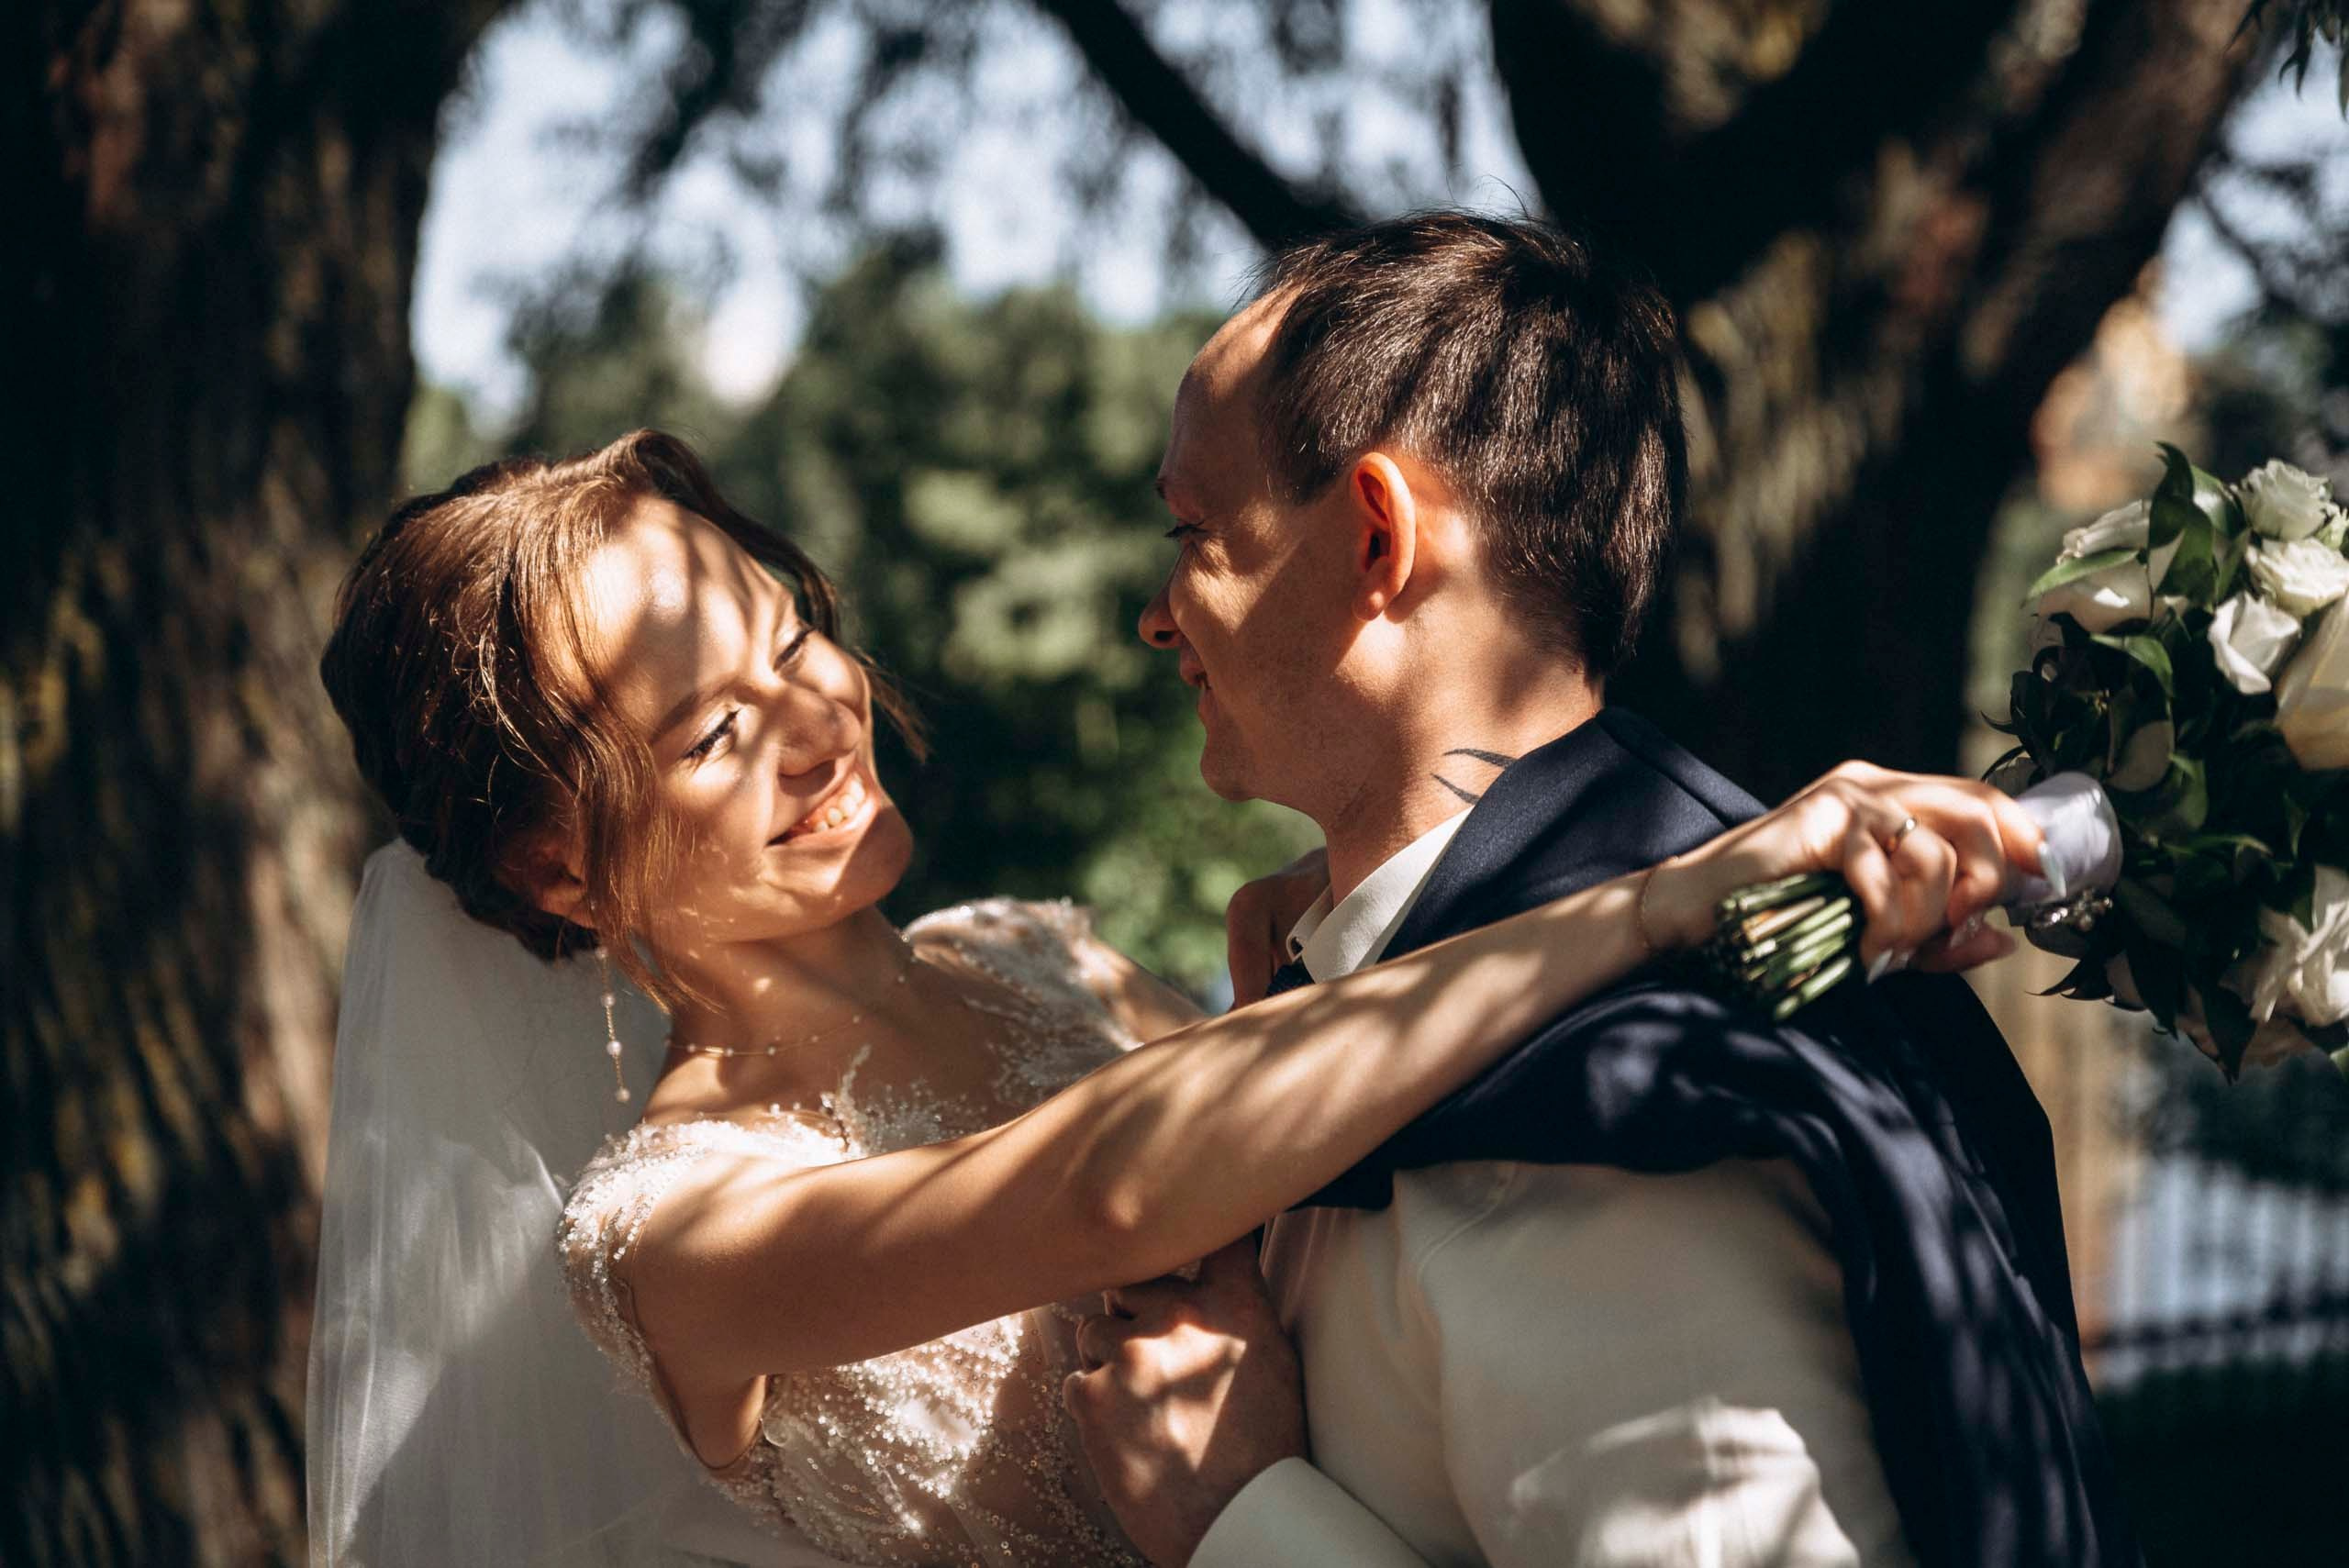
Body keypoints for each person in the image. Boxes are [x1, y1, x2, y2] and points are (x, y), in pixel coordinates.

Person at [305, 426, 2040, 1567]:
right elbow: (1113, 1187)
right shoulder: (672, 1237)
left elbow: (1292, 1182)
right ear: (556, 872)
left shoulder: (1036, 953)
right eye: (712, 729)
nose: (821, 716)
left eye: (787, 637)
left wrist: (1279, 953)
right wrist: (1655, 902)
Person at [1062, 211, 2137, 1568]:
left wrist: (1238, 1512)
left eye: (1196, 530)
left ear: (1377, 539)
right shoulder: (1534, 966)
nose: (1160, 610)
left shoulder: (1607, 1135)